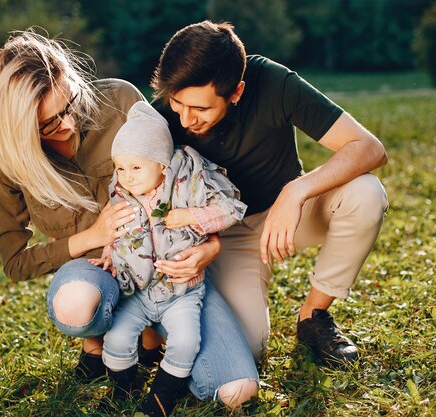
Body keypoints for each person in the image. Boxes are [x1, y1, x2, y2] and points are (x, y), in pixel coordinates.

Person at [0, 29, 258, 411]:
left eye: (69, 105)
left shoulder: (121, 100)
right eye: (46, 123)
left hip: (172, 274)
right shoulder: (3, 161)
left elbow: (181, 176)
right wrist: (93, 235)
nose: (67, 124)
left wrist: (210, 245)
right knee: (75, 304)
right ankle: (101, 341)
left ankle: (149, 341)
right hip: (100, 272)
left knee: (234, 389)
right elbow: (15, 262)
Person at [151, 21, 389, 368]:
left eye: (201, 109)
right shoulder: (162, 118)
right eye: (177, 103)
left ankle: (313, 316)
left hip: (289, 216)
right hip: (221, 237)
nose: (186, 120)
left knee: (366, 193)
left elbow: (369, 148)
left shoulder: (273, 82)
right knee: (247, 352)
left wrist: (295, 191)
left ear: (236, 91)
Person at [89, 101, 247, 415]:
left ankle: (161, 397)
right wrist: (109, 257)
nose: (128, 177)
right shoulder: (122, 195)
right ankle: (123, 388)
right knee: (118, 339)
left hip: (183, 291)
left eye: (136, 168)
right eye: (121, 168)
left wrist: (193, 216)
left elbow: (231, 210)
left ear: (162, 165)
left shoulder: (187, 185)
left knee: (186, 341)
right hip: (137, 290)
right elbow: (118, 236)